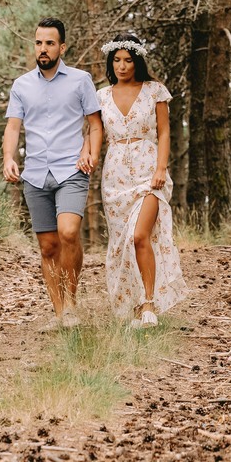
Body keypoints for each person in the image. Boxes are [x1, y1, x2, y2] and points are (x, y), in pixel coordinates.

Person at [3, 17, 102, 331]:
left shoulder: (80, 80)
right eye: (38, 42)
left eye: (49, 43)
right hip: (34, 174)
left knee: (69, 233)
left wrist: (93, 152)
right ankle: (60, 314)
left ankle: (72, 305)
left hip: (72, 169)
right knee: (47, 247)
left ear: (62, 47)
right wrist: (8, 157)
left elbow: (95, 124)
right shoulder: (21, 85)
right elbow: (13, 127)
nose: (43, 49)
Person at [96, 32, 187, 327]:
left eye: (128, 60)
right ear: (111, 62)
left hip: (149, 172)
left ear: (138, 62)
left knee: (139, 235)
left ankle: (149, 304)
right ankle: (134, 305)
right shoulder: (101, 96)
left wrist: (161, 169)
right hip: (114, 177)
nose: (122, 66)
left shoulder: (154, 91)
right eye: (117, 60)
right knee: (122, 242)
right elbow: (94, 134)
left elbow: (165, 132)